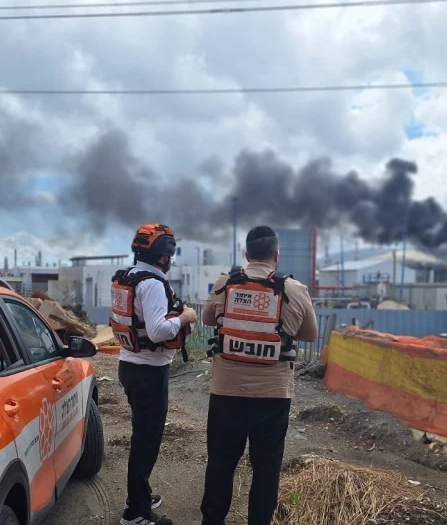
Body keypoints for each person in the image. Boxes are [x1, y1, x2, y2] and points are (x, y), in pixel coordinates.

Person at [200, 225, 319, 525]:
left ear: (246, 254)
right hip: (273, 399)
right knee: (266, 470)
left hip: (226, 394)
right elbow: (311, 335)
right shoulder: (294, 289)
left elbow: (206, 318)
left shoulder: (226, 284)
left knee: (220, 465)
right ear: (276, 256)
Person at [110, 222, 199, 525]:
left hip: (130, 365)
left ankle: (140, 493)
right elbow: (158, 330)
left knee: (142, 435)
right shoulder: (152, 284)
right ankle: (136, 513)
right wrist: (186, 316)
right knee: (146, 442)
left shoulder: (130, 277)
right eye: (170, 253)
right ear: (164, 255)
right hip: (149, 372)